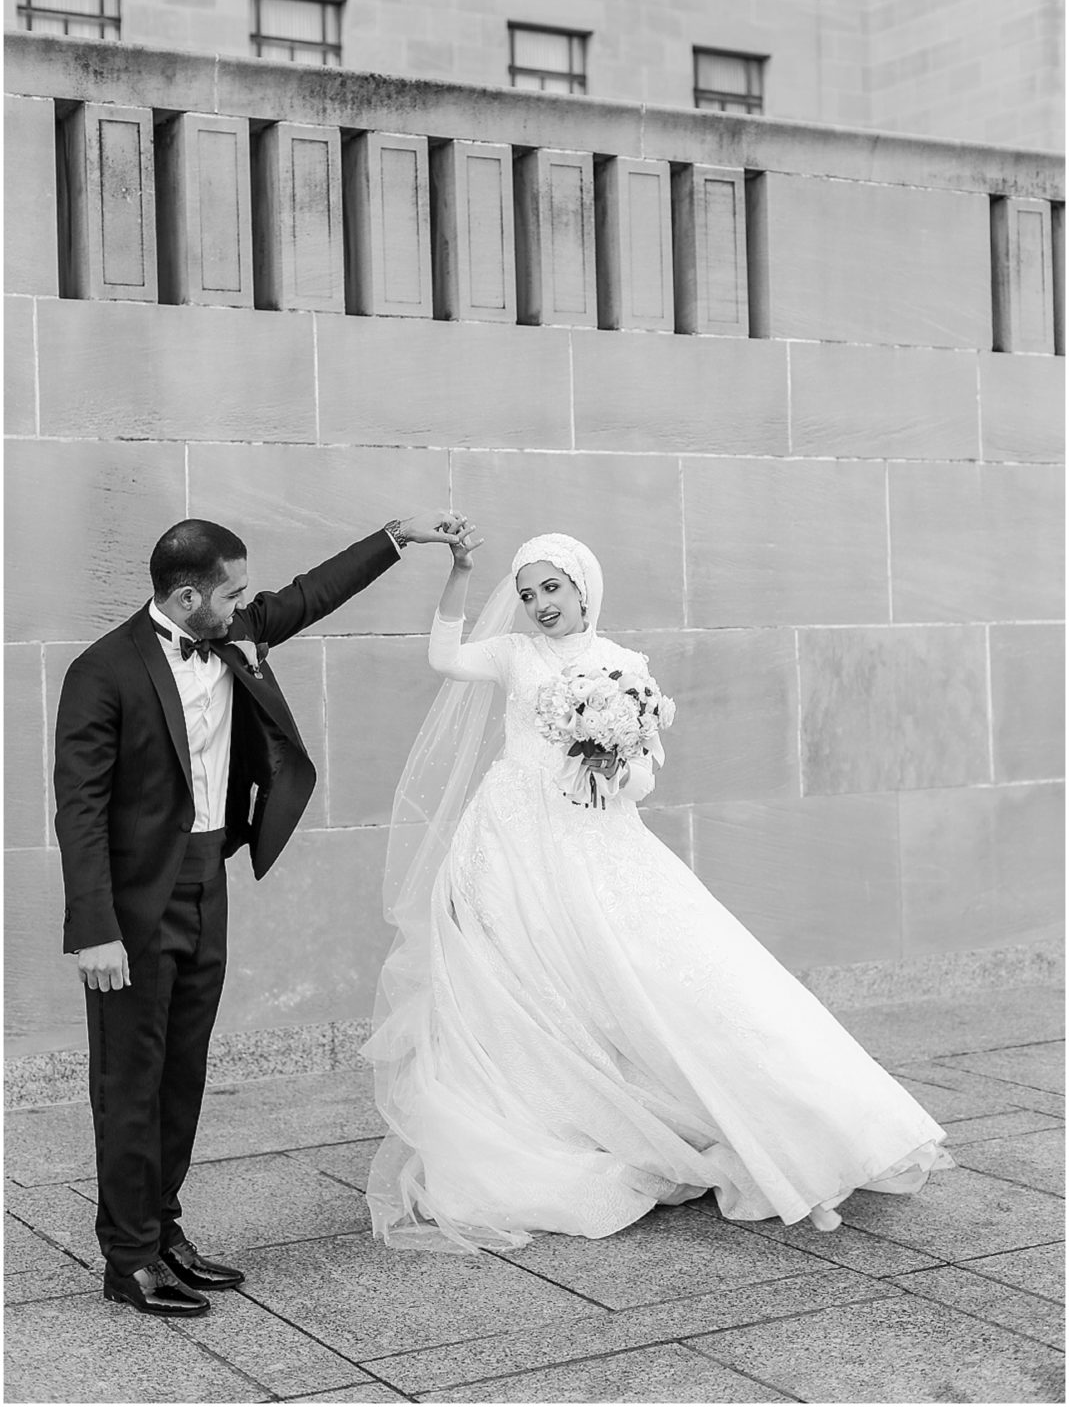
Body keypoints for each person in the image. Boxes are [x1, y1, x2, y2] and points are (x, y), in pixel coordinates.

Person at [363, 532, 952, 1253]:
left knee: (657, 977)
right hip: (509, 837)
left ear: (582, 587)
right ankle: (549, 1122)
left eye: (551, 588)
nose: (539, 605)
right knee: (517, 976)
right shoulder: (513, 656)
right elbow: (443, 657)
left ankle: (778, 1122)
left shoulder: (621, 667)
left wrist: (612, 768)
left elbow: (643, 778)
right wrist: (458, 574)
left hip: (592, 840)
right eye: (526, 594)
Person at [54, 509, 473, 1316]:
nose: (245, 604)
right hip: (133, 908)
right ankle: (128, 1258)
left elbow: (314, 594)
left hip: (207, 880)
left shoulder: (232, 629)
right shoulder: (100, 672)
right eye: (231, 592)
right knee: (129, 1080)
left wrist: (398, 535)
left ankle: (162, 1229)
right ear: (184, 599)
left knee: (182, 1072)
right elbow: (79, 811)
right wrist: (94, 929)